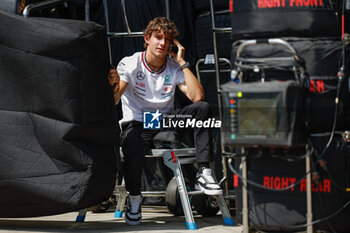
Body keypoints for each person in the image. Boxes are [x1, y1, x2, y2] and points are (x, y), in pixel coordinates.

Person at [108, 17, 222, 226]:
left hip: (163, 121)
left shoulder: (173, 66)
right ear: (147, 39)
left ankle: (204, 172)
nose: (162, 43)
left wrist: (182, 62)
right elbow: (117, 97)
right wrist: (114, 85)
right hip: (138, 122)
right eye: (158, 38)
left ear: (172, 45)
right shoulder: (131, 62)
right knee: (131, 143)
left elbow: (197, 97)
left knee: (202, 109)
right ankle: (134, 198)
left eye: (167, 40)